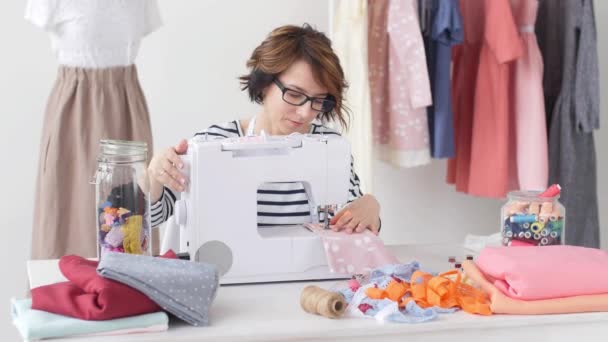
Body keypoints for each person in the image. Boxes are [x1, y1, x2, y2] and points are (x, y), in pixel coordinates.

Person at [148, 24, 380, 234]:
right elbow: (153, 218)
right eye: (295, 94)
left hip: (310, 273)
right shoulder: (212, 143)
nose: (306, 112)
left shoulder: (330, 146)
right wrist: (154, 175)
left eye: (319, 100)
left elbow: (353, 220)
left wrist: (371, 208)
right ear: (264, 84)